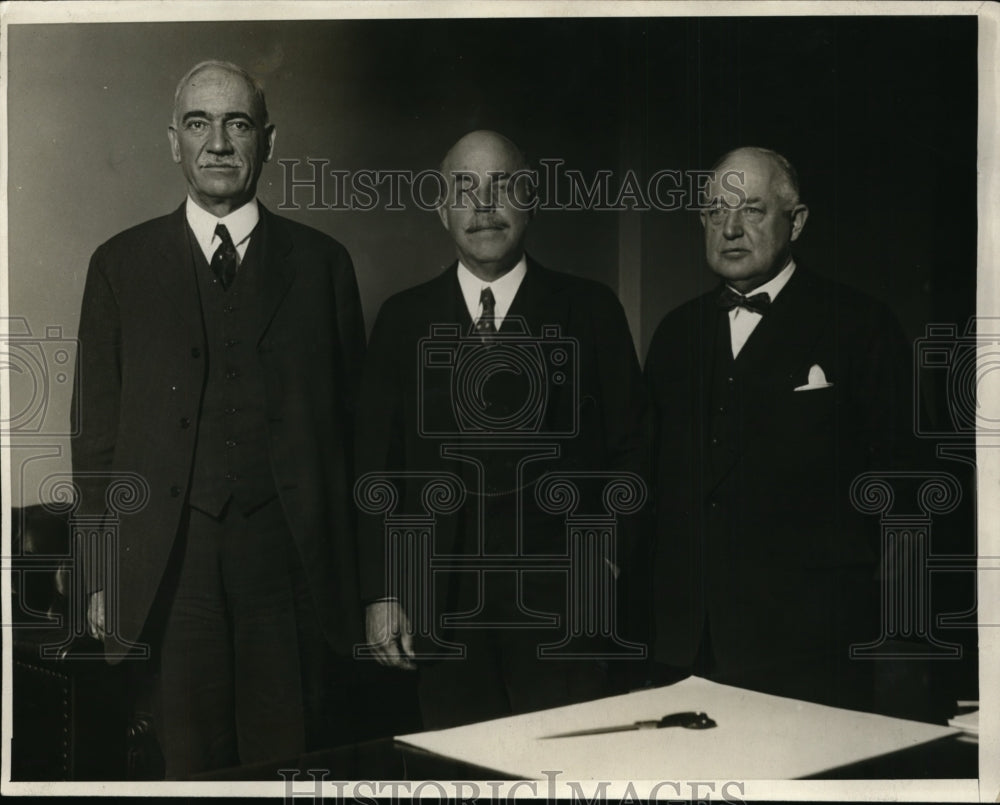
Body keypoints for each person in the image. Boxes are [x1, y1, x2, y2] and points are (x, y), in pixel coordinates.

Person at [71, 61, 366, 777]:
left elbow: (355, 437)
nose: (219, 142)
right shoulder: (119, 265)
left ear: (267, 140)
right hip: (173, 566)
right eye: (199, 124)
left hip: (288, 563)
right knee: (190, 767)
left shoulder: (323, 264)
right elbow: (95, 439)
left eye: (238, 123)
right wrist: (103, 568)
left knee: (289, 760)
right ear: (174, 141)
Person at [355, 130, 650, 729]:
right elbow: (373, 468)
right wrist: (382, 591)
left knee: (568, 773)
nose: (483, 205)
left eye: (502, 186)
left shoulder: (590, 310)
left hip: (564, 612)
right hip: (439, 609)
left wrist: (607, 561)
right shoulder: (402, 319)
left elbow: (634, 449)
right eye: (464, 188)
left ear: (531, 198)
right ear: (441, 209)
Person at [645, 147, 913, 709]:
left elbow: (906, 489)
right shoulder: (675, 333)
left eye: (752, 211)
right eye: (716, 213)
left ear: (798, 221)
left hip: (811, 647)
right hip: (686, 645)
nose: (731, 228)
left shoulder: (862, 326)